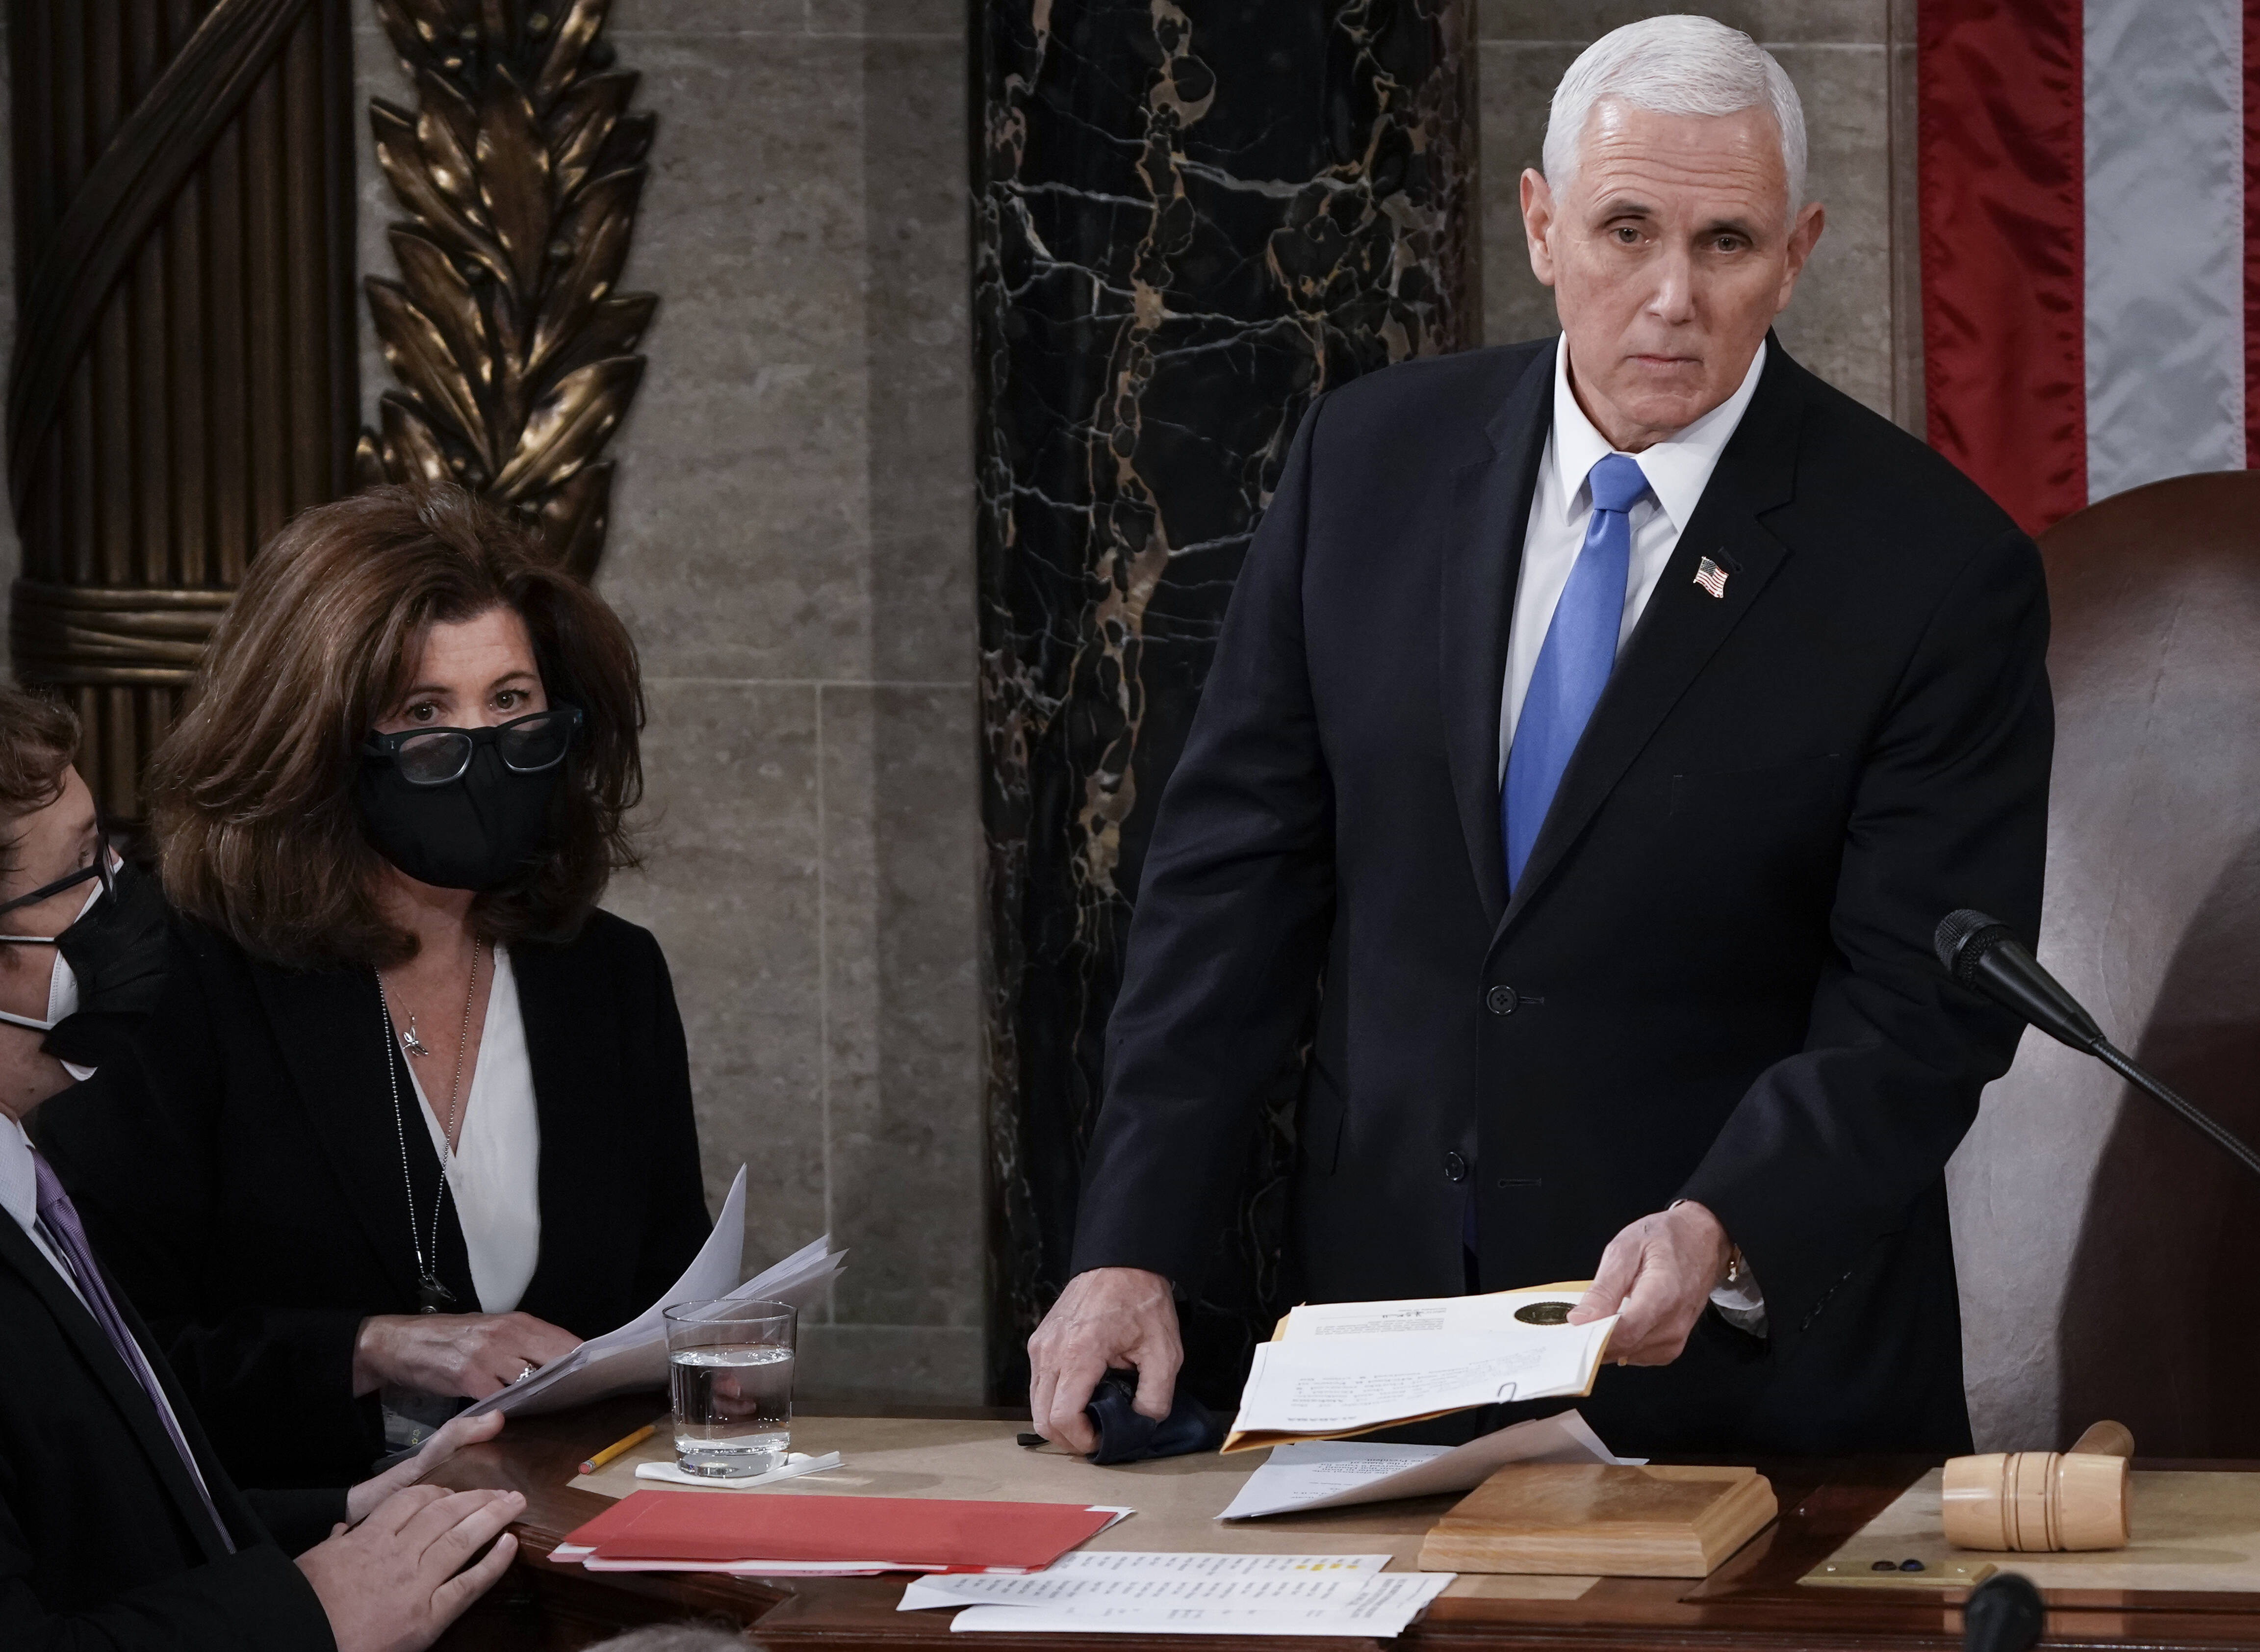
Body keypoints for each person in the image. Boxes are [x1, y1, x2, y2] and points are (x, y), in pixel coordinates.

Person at [1030, 15, 2051, 1458]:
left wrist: (1730, 1226)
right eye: (1626, 231)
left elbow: (1922, 1002)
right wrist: (1127, 1242)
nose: (1672, 299)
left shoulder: (1935, 568)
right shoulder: (1365, 465)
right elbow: (1228, 893)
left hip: (1751, 1399)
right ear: (1539, 223)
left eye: (1728, 243)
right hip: (1390, 1360)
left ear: (1801, 251)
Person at [38, 483, 712, 1488]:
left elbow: (672, 1293)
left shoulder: (608, 976)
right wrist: (365, 1346)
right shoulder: (173, 975)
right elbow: (103, 1363)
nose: (483, 750)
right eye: (425, 713)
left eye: (512, 702)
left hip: (571, 1555)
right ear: (312, 742)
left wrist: (714, 1360)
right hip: (286, 1568)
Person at [0, 682, 525, 1650]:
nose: (125, 890)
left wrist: (366, 1507)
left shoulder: (25, 1177)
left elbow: (120, 1530)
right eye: (82, 869)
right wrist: (310, 1613)